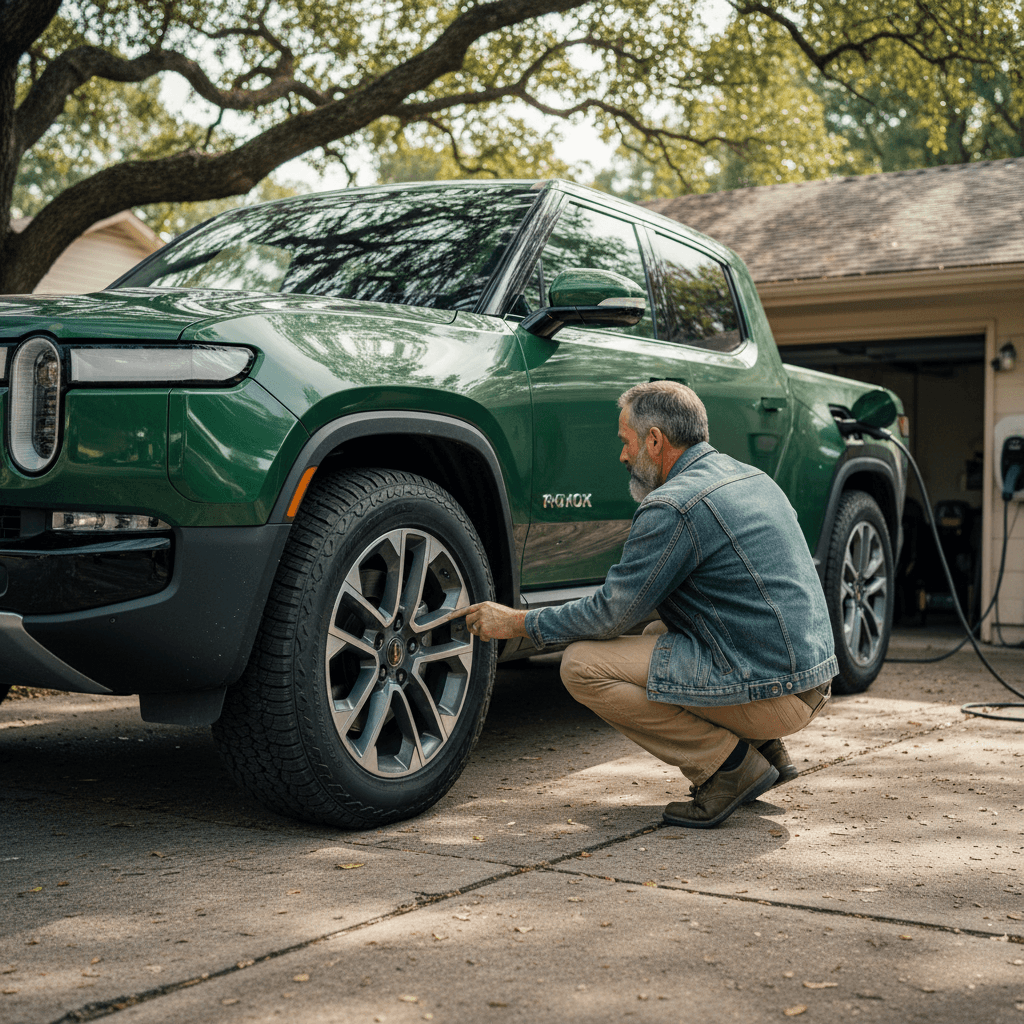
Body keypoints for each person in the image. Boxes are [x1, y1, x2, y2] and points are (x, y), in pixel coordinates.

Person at [448, 380, 836, 828]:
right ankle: (764, 749)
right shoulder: (751, 478)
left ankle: (727, 768)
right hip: (811, 681)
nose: (622, 456)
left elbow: (610, 614)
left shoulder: (673, 505)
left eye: (626, 441)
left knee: (581, 666)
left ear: (655, 440)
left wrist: (518, 623)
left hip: (772, 694)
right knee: (656, 633)